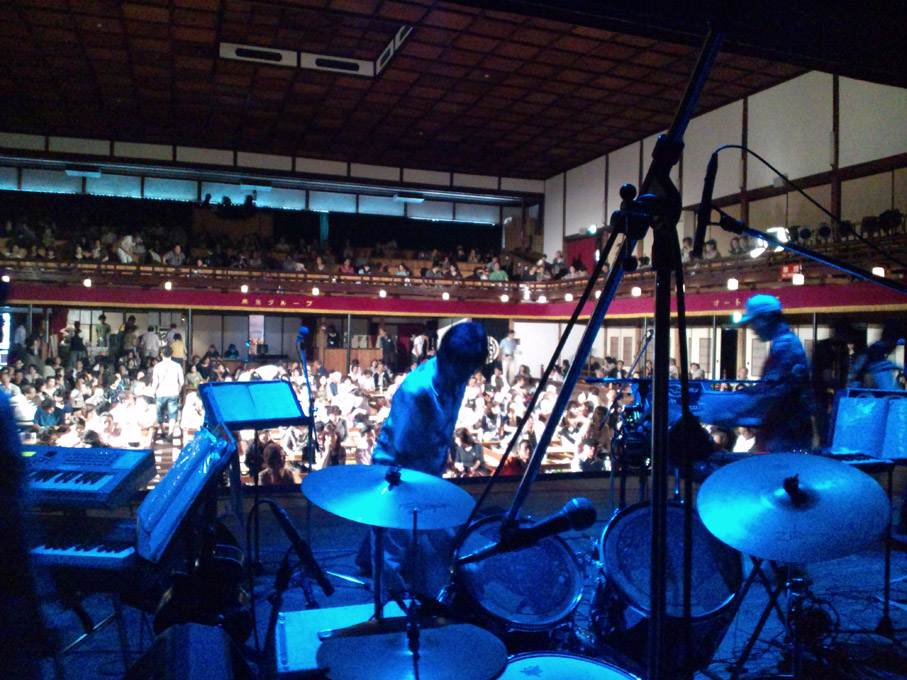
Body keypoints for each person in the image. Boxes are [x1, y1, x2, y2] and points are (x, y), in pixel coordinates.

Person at [372, 321, 487, 598]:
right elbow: (404, 448)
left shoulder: (456, 379)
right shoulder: (417, 391)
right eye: (465, 370)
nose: (467, 376)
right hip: (398, 472)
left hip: (429, 473)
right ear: (447, 359)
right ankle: (388, 609)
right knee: (394, 550)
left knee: (437, 545)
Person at [733, 295, 814, 452]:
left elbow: (772, 392)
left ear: (766, 319)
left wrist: (735, 408)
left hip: (787, 433)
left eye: (753, 322)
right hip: (785, 431)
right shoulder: (784, 343)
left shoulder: (785, 347)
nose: (752, 328)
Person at [848, 321, 902, 390]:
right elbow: (886, 386)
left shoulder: (876, 351)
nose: (895, 346)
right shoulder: (876, 352)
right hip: (865, 392)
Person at [151, 346, 184, 440]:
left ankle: (163, 431)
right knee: (172, 413)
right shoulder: (177, 366)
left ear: (161, 354)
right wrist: (179, 387)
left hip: (161, 393)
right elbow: (181, 381)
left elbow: (155, 381)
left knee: (160, 413)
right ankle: (170, 433)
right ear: (172, 354)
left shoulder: (157, 366)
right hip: (173, 392)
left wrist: (153, 391)